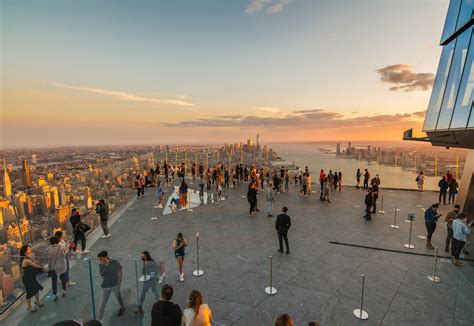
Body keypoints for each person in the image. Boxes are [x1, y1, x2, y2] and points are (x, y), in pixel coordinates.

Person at [97, 251, 126, 321]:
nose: (100, 260)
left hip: (115, 284)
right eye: (99, 259)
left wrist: (119, 283)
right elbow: (102, 274)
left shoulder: (114, 262)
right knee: (102, 303)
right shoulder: (101, 264)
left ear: (105, 257)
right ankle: (99, 319)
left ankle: (122, 307)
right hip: (106, 286)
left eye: (101, 258)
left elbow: (120, 271)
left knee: (118, 297)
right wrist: (104, 266)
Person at [20, 244, 45, 312]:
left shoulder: (28, 258)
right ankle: (30, 307)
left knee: (36, 289)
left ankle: (37, 301)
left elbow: (34, 263)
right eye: (28, 249)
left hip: (31, 277)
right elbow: (35, 265)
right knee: (29, 293)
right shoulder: (26, 260)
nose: (30, 249)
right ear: (25, 252)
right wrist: (43, 267)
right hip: (27, 279)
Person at [44, 235, 68, 301]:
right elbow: (65, 253)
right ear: (58, 241)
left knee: (54, 281)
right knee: (63, 279)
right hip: (62, 266)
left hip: (52, 267)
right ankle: (64, 291)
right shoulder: (62, 247)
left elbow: (45, 256)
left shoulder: (48, 249)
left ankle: (55, 294)